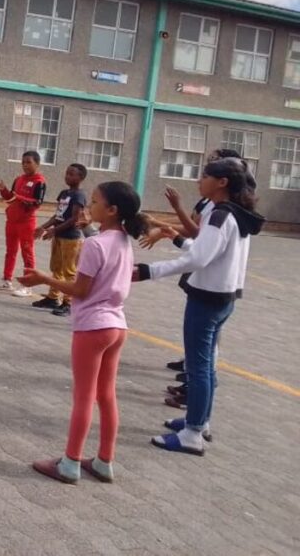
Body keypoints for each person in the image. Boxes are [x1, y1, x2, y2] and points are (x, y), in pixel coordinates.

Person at [17, 181, 145, 484]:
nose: (90, 207)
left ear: (112, 210)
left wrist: (43, 279)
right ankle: (104, 460)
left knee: (84, 397)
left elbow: (80, 289)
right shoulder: (123, 240)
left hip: (93, 326)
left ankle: (70, 462)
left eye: (96, 202)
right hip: (117, 325)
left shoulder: (95, 244)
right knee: (106, 395)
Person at [136, 158, 264, 456]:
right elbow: (208, 251)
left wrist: (148, 271)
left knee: (198, 367)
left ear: (222, 182)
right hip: (223, 298)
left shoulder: (220, 215)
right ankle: (199, 420)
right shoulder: (235, 213)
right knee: (204, 366)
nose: (199, 180)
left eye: (205, 175)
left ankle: (192, 434)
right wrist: (178, 239)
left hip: (207, 300)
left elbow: (198, 260)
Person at [32, 163, 88, 316]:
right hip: (59, 236)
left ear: (81, 177)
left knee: (69, 271)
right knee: (56, 268)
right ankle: (52, 297)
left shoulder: (79, 196)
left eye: (72, 174)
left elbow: (74, 219)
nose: (67, 176)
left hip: (71, 238)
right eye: (67, 173)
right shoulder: (64, 193)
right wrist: (43, 227)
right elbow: (58, 216)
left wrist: (54, 230)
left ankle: (68, 303)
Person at [0, 151, 46, 297]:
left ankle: (27, 285)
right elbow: (11, 198)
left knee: (27, 252)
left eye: (29, 162)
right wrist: (3, 190)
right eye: (23, 162)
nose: (25, 165)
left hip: (26, 222)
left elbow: (37, 203)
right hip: (12, 221)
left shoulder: (39, 181)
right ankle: (6, 279)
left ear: (37, 164)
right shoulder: (18, 179)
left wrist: (19, 198)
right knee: (10, 251)